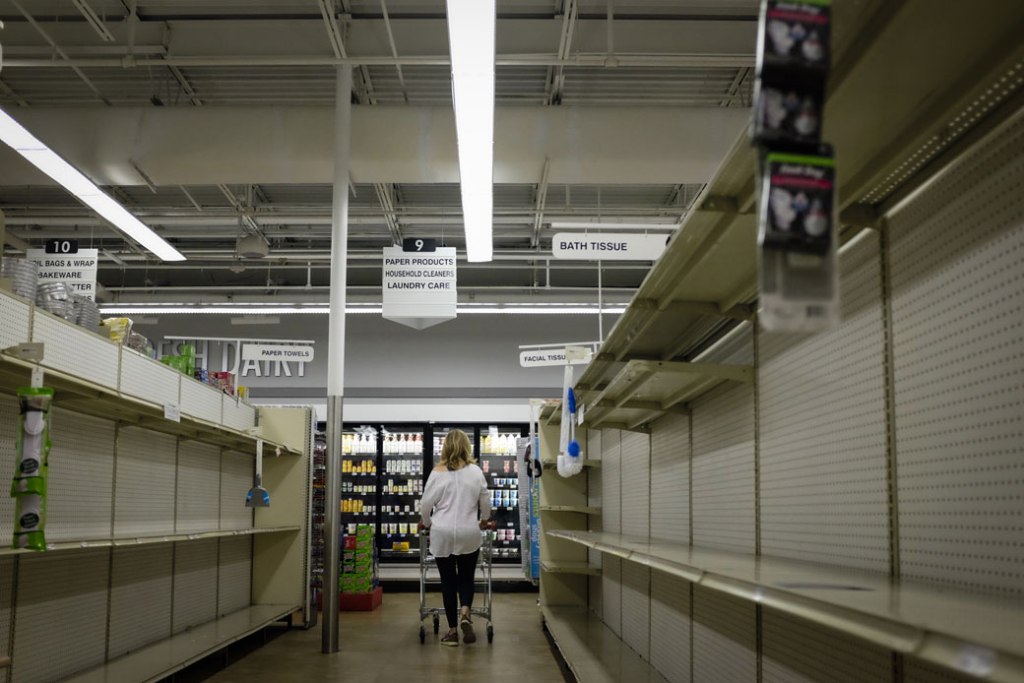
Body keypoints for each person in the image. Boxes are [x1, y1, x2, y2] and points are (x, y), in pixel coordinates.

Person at [419, 429, 492, 647]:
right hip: (469, 532)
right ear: (466, 447)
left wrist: (430, 524)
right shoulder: (475, 471)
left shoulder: (437, 472)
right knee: (466, 577)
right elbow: (485, 502)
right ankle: (466, 613)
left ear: (446, 447)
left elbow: (425, 506)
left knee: (448, 581)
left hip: (442, 533)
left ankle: (451, 632)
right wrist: (484, 520)